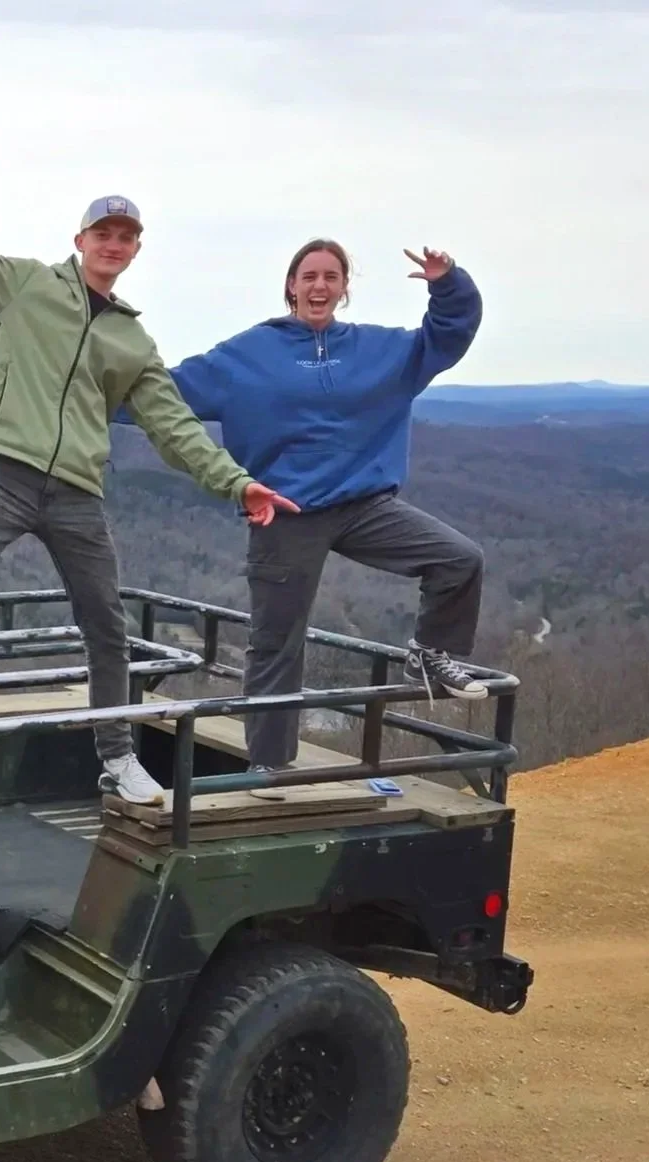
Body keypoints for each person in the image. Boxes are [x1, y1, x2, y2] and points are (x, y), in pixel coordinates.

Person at [0, 99, 297, 806]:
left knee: (107, 626)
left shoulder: (133, 342)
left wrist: (237, 485)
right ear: (80, 239)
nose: (113, 243)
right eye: (103, 231)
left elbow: (176, 428)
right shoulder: (26, 286)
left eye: (125, 235)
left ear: (135, 249)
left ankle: (117, 757)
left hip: (74, 490)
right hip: (1, 471)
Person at [165, 238, 486, 797]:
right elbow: (161, 396)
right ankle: (268, 764)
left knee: (459, 559)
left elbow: (447, 336)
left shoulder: (378, 350)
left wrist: (448, 282)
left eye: (331, 276)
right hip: (286, 512)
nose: (319, 286)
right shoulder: (247, 354)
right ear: (291, 285)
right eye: (308, 276)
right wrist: (84, 386)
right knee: (275, 641)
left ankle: (432, 655)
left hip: (366, 506)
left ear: (344, 287)